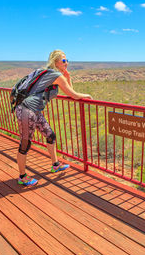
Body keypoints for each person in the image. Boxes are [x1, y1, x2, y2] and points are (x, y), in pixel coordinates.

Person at [15, 50, 92, 186]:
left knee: (50, 135)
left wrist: (67, 77)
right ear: (55, 62)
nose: (66, 63)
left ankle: (55, 164)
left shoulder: (44, 72)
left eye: (67, 60)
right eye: (63, 61)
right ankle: (22, 177)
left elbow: (68, 90)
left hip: (33, 110)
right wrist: (85, 95)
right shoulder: (55, 75)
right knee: (25, 144)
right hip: (27, 110)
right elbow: (73, 94)